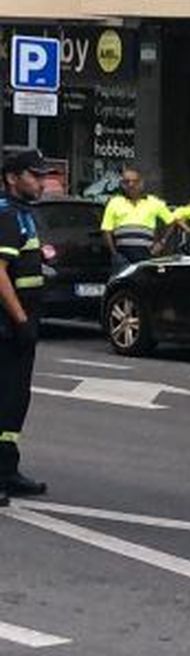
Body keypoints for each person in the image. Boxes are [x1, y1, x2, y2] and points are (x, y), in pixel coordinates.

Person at [0, 149, 51, 501]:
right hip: (6, 324)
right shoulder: (6, 215)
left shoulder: (24, 214)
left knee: (15, 400)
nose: (41, 181)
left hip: (22, 323)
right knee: (4, 398)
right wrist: (19, 319)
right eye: (34, 175)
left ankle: (7, 469)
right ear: (12, 178)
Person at [100, 166, 173, 264]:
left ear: (141, 183)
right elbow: (106, 230)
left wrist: (162, 243)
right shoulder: (114, 202)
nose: (131, 185)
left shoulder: (153, 202)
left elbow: (172, 221)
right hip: (122, 257)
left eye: (135, 181)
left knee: (145, 279)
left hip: (147, 255)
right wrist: (114, 254)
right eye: (127, 182)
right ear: (122, 184)